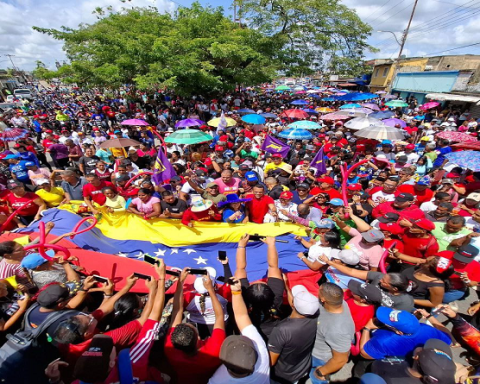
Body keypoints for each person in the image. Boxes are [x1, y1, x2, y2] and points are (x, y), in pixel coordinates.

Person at [165, 268, 226, 384]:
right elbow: (220, 316)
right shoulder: (214, 350)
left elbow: (177, 310)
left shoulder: (170, 350)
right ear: (198, 338)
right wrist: (211, 290)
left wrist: (180, 282)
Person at [208, 278, 270, 384]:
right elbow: (241, 316)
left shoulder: (216, 381)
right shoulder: (261, 352)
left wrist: (236, 292)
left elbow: (241, 316)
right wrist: (236, 292)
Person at [268, 282, 319, 384]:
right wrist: (286, 286)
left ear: (292, 304)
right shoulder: (316, 317)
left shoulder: (282, 330)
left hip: (283, 376)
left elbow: (271, 361)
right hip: (302, 368)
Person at [360, 307, 452, 360]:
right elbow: (449, 339)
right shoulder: (426, 329)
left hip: (384, 359)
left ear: (398, 332)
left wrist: (367, 329)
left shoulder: (385, 340)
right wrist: (429, 316)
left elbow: (364, 353)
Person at [310, 282, 354, 384]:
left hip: (320, 358)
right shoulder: (340, 302)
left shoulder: (338, 330)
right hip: (316, 347)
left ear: (323, 299)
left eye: (319, 291)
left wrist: (321, 371)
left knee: (316, 378)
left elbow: (340, 359)